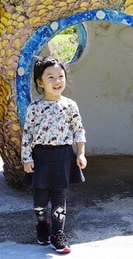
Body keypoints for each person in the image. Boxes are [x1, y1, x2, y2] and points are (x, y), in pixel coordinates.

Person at [21, 56, 87, 254]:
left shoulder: (70, 105)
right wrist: (27, 158)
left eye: (60, 76)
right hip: (40, 157)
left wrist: (80, 154)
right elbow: (28, 134)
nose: (57, 81)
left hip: (63, 157)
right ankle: (42, 226)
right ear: (40, 82)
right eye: (51, 77)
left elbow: (79, 130)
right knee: (40, 199)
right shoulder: (34, 108)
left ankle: (57, 234)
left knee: (59, 197)